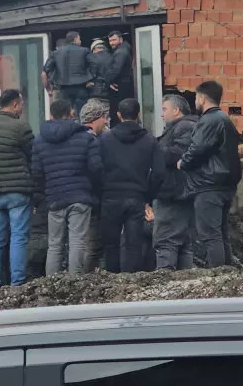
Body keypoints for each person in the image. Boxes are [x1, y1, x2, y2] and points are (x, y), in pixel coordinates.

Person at [32, 99, 102, 277]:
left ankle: (51, 282)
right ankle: (74, 280)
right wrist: (91, 189)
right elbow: (96, 169)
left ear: (51, 115)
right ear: (71, 113)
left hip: (54, 197)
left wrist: (45, 193)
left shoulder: (40, 140)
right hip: (80, 196)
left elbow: (36, 173)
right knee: (77, 240)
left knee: (55, 243)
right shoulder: (86, 137)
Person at [178, 81, 242, 267]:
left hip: (209, 185)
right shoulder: (224, 119)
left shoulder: (209, 120)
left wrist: (183, 162)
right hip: (224, 184)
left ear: (203, 98)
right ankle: (227, 274)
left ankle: (218, 277)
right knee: (221, 235)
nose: (195, 101)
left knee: (210, 235)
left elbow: (197, 149)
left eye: (196, 97)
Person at [98, 98, 162, 273]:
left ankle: (112, 280)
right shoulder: (149, 140)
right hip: (137, 197)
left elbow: (96, 167)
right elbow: (158, 172)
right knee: (134, 243)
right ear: (139, 114)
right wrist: (148, 196)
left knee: (111, 245)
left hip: (110, 196)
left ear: (118, 115)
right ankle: (131, 282)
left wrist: (101, 190)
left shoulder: (105, 139)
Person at [0, 88, 35, 291]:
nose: (22, 108)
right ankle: (18, 282)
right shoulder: (20, 127)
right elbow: (33, 156)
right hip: (18, 191)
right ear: (14, 105)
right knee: (19, 236)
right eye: (21, 104)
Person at [153, 94, 198, 272]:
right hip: (181, 191)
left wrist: (154, 151)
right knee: (183, 241)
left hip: (175, 192)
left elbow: (179, 153)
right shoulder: (183, 126)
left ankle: (165, 280)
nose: (161, 114)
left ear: (176, 110)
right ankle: (182, 285)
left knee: (166, 239)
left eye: (164, 109)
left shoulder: (185, 126)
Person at [81, 98, 112, 271]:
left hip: (86, 197)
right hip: (93, 198)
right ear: (95, 119)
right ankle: (85, 278)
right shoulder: (93, 141)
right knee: (92, 244)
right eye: (104, 118)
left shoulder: (79, 138)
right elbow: (96, 170)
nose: (106, 121)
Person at [42, 31, 91, 116]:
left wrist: (55, 80)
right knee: (82, 114)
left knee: (65, 114)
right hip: (81, 87)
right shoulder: (84, 51)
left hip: (63, 88)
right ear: (75, 39)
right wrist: (89, 78)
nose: (80, 41)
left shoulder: (56, 53)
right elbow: (92, 65)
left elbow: (47, 69)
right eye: (79, 39)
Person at [105, 31, 135, 125]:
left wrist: (108, 82)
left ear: (121, 39)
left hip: (120, 86)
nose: (112, 43)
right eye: (110, 41)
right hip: (124, 84)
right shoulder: (124, 49)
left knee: (117, 112)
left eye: (114, 40)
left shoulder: (120, 52)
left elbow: (116, 70)